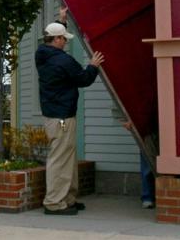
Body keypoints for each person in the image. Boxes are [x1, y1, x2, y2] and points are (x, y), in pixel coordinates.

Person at [35, 16, 105, 216]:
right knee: (60, 160)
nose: (66, 41)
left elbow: (54, 34)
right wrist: (93, 66)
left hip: (54, 116)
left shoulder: (41, 55)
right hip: (62, 117)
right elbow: (83, 79)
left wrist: (61, 21)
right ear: (56, 40)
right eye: (64, 38)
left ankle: (67, 199)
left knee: (67, 158)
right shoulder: (63, 60)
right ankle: (54, 203)